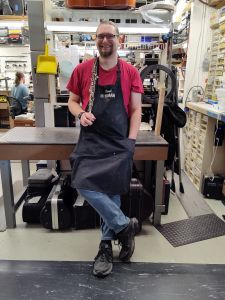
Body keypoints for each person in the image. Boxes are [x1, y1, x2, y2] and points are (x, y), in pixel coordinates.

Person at [67, 21, 144, 277]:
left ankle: (105, 246)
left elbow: (135, 110)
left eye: (110, 36)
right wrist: (80, 114)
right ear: (95, 39)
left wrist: (130, 142)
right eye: (100, 36)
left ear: (118, 40)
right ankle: (124, 227)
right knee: (81, 182)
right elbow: (73, 101)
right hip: (91, 139)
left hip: (118, 141)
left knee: (111, 192)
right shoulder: (83, 69)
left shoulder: (130, 72)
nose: (105, 41)